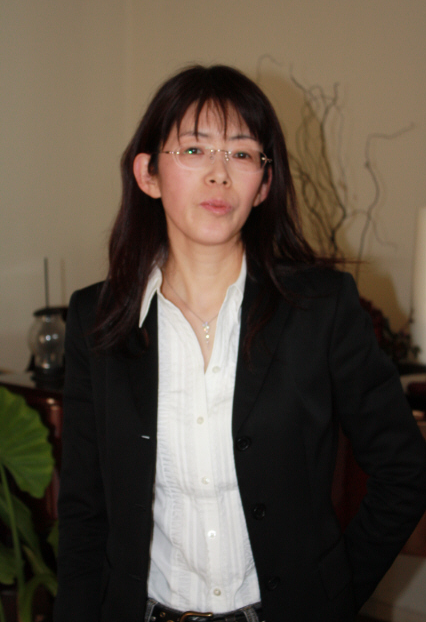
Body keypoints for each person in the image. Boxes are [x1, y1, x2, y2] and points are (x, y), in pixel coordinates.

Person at [54, 65, 426, 622]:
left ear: (264, 184)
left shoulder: (320, 308)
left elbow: (404, 470)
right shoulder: (98, 319)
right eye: (194, 149)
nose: (219, 174)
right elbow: (84, 512)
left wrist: (334, 590)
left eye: (242, 153)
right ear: (148, 174)